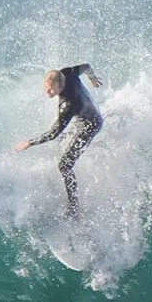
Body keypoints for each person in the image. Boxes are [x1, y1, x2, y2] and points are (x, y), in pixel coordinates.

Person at [16, 63, 104, 216]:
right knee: (61, 140)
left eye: (51, 90)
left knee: (64, 164)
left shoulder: (67, 104)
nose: (48, 92)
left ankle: (74, 207)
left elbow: (53, 133)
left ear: (61, 85)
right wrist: (92, 77)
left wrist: (29, 143)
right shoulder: (67, 72)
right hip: (87, 112)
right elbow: (87, 66)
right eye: (46, 88)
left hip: (91, 124)